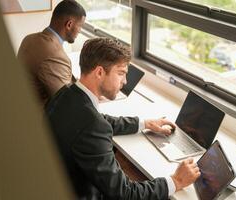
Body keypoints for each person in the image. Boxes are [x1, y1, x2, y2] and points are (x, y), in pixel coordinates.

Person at [45, 38, 201, 200]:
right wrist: (176, 181)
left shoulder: (67, 93)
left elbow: (99, 120)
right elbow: (125, 194)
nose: (125, 81)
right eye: (120, 73)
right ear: (99, 72)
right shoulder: (92, 126)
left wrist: (145, 124)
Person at [17, 0, 86, 106]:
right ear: (69, 24)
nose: (80, 30)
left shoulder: (29, 38)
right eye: (80, 26)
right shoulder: (55, 55)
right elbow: (67, 103)